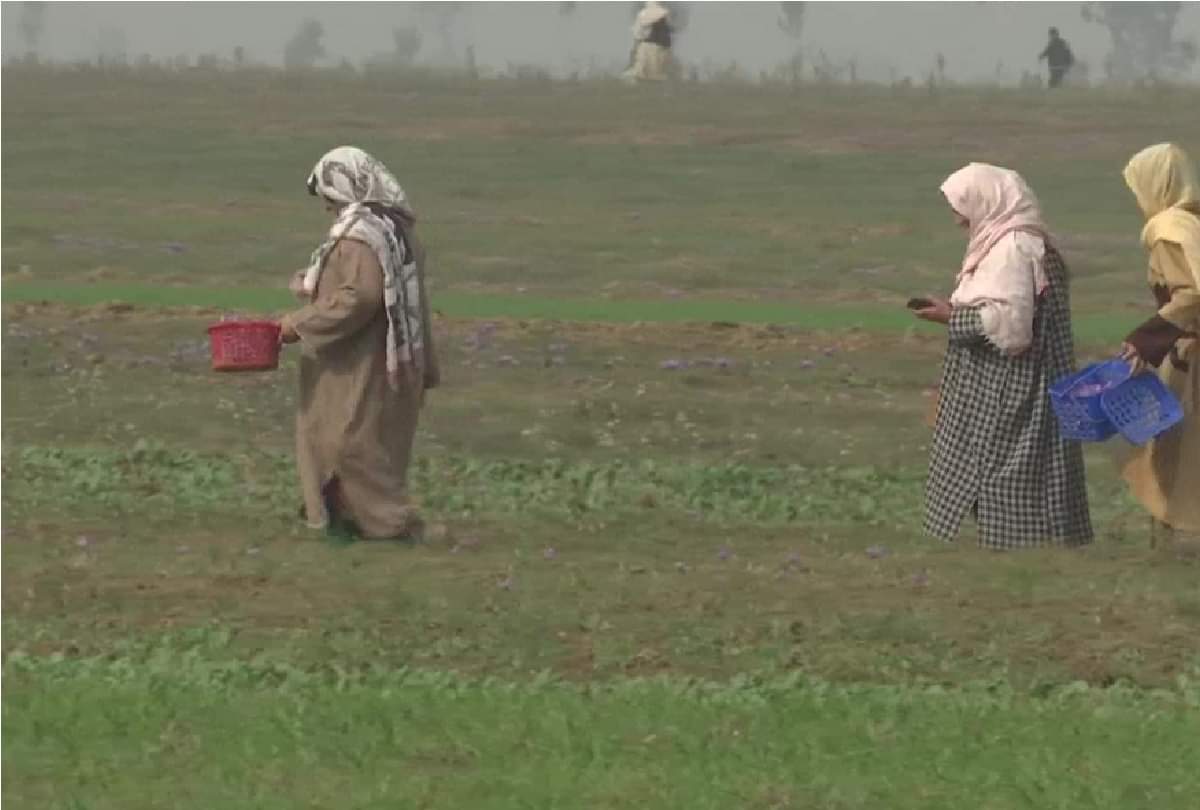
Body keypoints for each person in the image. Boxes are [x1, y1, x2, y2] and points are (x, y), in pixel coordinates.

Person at [914, 163, 1092, 549]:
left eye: (962, 205)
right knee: (1009, 466)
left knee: (1009, 467)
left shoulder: (1013, 247)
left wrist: (952, 317)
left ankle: (1019, 550)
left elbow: (1011, 328)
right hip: (1010, 378)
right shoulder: (1008, 241)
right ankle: (1023, 548)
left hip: (1012, 383)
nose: (957, 218)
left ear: (987, 200)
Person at [278, 146, 439, 540]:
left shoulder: (361, 237)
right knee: (361, 439)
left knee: (349, 441)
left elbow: (359, 296)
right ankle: (344, 517)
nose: (327, 208)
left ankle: (392, 525)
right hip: (387, 355)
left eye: (329, 198)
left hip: (361, 360)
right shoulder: (392, 230)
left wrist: (297, 324)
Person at [1118, 143, 1200, 541]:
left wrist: (1146, 339)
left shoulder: (1169, 231)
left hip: (1189, 351)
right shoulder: (1191, 222)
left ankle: (1171, 529)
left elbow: (1191, 295)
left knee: (1174, 443)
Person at [623, 1, 673, 83]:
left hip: (654, 46)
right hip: (659, 46)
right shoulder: (664, 14)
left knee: (649, 70)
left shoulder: (645, 15)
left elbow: (638, 32)